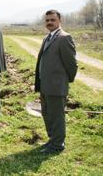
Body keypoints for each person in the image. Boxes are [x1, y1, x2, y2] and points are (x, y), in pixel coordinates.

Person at [35, 10, 77, 154]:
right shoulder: (47, 38)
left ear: (59, 21)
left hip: (56, 85)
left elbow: (71, 64)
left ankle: (58, 145)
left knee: (57, 116)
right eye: (47, 20)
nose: (49, 22)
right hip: (45, 85)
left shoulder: (64, 38)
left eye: (52, 20)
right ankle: (52, 140)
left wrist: (64, 80)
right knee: (47, 114)